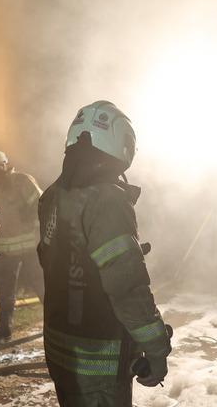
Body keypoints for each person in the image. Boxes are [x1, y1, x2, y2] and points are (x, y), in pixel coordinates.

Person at [38, 100, 171, 406]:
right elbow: (126, 288)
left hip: (61, 352)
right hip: (99, 360)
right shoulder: (107, 200)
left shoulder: (53, 195)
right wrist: (156, 348)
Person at [0, 149, 45, 344]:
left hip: (32, 247)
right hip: (8, 250)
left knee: (41, 285)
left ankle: (55, 325)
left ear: (3, 166)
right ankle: (4, 330)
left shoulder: (24, 181)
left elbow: (43, 207)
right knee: (6, 291)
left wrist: (33, 221)